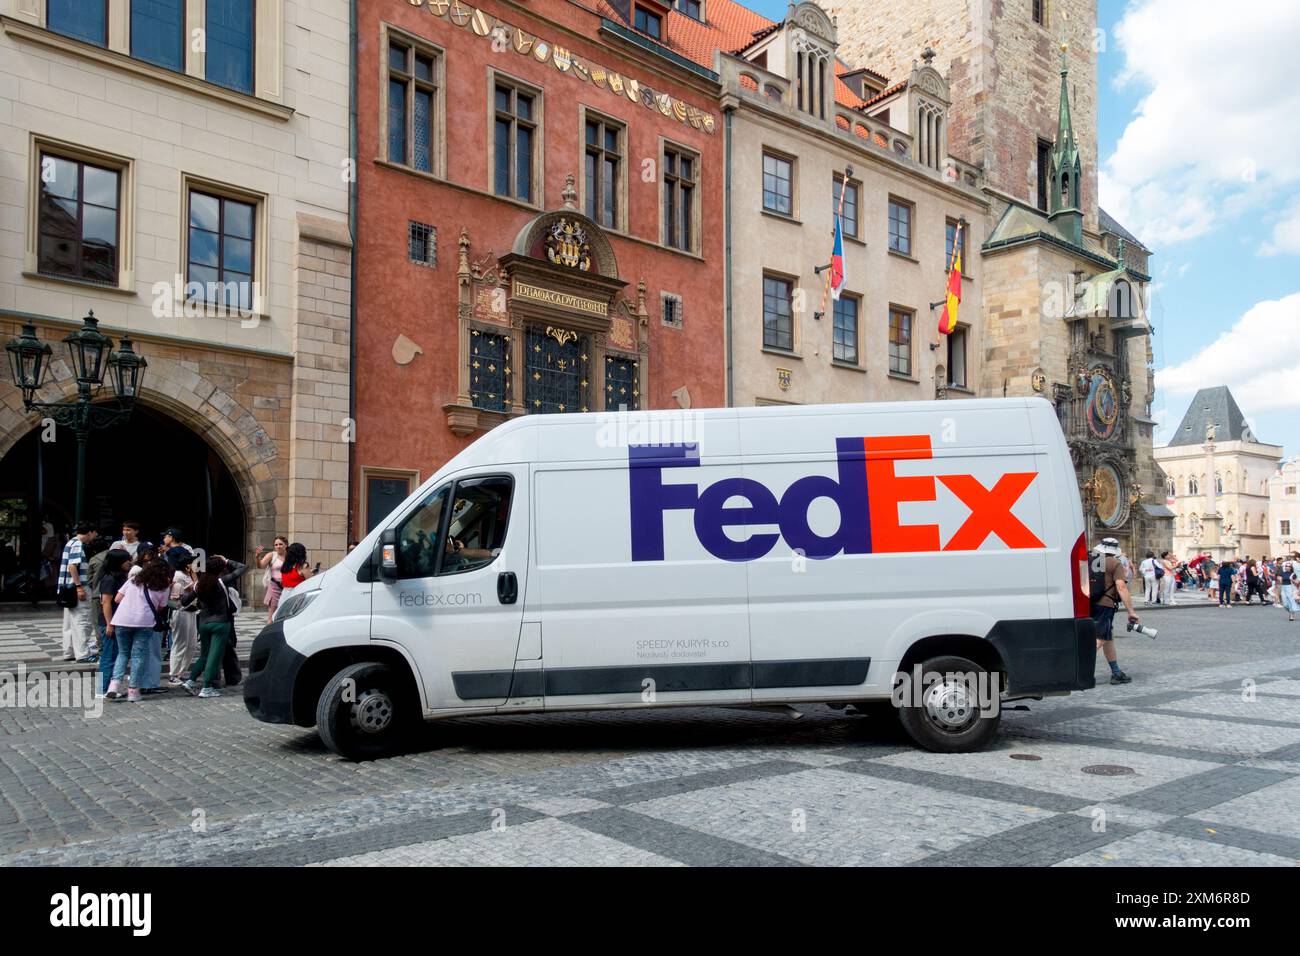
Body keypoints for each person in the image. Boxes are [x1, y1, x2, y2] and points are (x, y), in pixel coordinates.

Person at [105, 557, 173, 702]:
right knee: (138, 656)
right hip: (145, 622)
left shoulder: (133, 580)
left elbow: (117, 599)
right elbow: (161, 607)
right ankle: (133, 690)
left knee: (123, 653)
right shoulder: (164, 586)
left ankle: (114, 686)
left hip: (122, 620)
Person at [180, 555, 247, 698]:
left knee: (204, 655)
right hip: (220, 623)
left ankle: (191, 681)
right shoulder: (221, 581)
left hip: (204, 622)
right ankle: (207, 687)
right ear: (220, 569)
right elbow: (242, 568)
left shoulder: (199, 584)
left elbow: (185, 601)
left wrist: (185, 590)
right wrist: (227, 560)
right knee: (214, 656)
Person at [1090, 537, 1137, 684]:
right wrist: (1131, 611)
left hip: (1090, 602)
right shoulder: (1114, 563)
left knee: (1107, 637)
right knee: (1101, 638)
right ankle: (1077, 670)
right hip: (1106, 604)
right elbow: (1121, 587)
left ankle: (1116, 672)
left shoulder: (1090, 561)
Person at [56, 522, 99, 662]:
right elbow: (72, 566)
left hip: (67, 588)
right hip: (76, 587)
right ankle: (83, 654)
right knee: (82, 620)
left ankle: (69, 652)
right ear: (89, 532)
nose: (95, 536)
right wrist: (79, 586)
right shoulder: (77, 544)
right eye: (95, 533)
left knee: (69, 622)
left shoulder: (70, 543)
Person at [96, 549, 132, 695]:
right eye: (126, 560)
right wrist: (109, 624)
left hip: (118, 620)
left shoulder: (120, 577)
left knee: (115, 655)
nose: (129, 562)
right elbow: (106, 602)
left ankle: (109, 687)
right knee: (108, 656)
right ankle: (102, 688)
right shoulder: (109, 579)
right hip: (109, 622)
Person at [165, 547, 199, 685]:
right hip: (181, 612)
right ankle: (173, 673)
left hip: (191, 611)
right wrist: (193, 574)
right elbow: (196, 588)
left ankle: (181, 672)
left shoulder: (186, 574)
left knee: (191, 644)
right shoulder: (179, 575)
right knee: (180, 643)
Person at [255, 536, 288, 624]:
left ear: (286, 545)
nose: (278, 546)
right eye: (276, 545)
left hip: (287, 586)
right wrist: (257, 557)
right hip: (275, 586)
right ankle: (269, 628)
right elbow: (260, 566)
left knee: (285, 611)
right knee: (272, 613)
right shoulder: (272, 555)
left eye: (280, 544)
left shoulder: (290, 556)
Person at [1279, 557, 1298, 623]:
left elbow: (1297, 582)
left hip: (1290, 587)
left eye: (1289, 566)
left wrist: (1292, 580)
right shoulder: (1283, 573)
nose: (1287, 567)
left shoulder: (1293, 574)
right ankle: (1290, 611)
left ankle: (1291, 615)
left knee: (1291, 601)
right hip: (1283, 587)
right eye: (1286, 566)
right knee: (1285, 604)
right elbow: (1280, 580)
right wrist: (1279, 580)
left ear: (1291, 568)